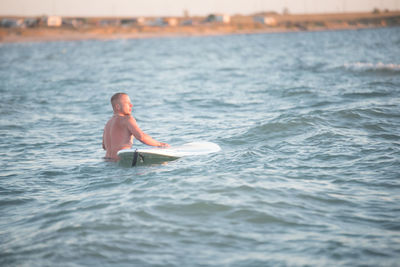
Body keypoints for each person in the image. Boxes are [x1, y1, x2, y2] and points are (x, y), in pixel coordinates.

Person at [103, 92, 169, 160]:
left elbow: (104, 146)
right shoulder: (127, 119)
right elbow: (141, 137)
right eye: (127, 103)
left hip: (108, 161)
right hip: (121, 161)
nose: (131, 105)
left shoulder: (108, 124)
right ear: (118, 106)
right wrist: (159, 144)